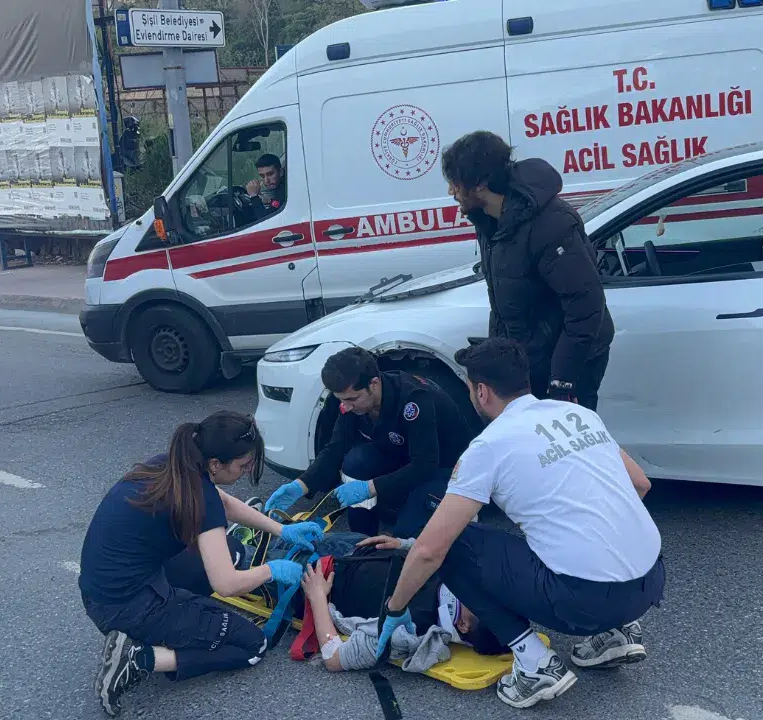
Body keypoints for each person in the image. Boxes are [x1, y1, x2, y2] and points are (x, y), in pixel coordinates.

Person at [374, 339, 665, 709]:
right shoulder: (578, 415)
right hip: (651, 581)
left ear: (481, 392)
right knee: (564, 538)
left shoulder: (488, 446)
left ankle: (535, 664)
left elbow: (431, 549)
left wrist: (395, 608)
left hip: (585, 601)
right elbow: (640, 484)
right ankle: (617, 633)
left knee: (456, 545)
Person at [78, 411, 328, 717]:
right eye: (243, 465)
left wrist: (282, 530)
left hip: (102, 593)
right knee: (252, 645)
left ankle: (166, 624)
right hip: (126, 606)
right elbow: (227, 584)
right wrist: (272, 571)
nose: (247, 472)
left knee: (231, 550)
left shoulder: (173, 464)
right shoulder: (201, 494)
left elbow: (224, 504)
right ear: (215, 464)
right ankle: (138, 658)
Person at [442, 131, 614, 410]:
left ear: (480, 183)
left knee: (563, 435)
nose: (451, 192)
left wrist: (562, 381)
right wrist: (496, 361)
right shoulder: (488, 221)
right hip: (530, 361)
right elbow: (503, 302)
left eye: (455, 183)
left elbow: (586, 307)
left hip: (570, 364)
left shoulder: (551, 225)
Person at [264, 347, 472, 538]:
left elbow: (424, 466)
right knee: (356, 463)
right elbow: (336, 448)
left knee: (405, 537)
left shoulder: (415, 400)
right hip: (402, 458)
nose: (346, 406)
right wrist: (302, 485)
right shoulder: (351, 399)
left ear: (373, 384)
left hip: (444, 469)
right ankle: (362, 540)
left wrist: (370, 487)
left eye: (351, 399)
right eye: (341, 400)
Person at [295, 536, 508, 673]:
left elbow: (334, 658)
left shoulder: (409, 632)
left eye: (482, 605)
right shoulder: (463, 581)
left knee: (276, 548)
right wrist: (403, 544)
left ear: (463, 625)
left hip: (319, 576)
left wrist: (317, 597)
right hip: (358, 544)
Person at [242, 153, 285, 219]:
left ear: (281, 172)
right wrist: (270, 201)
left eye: (270, 174)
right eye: (262, 176)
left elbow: (265, 219)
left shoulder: (286, 189)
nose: (266, 180)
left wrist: (254, 196)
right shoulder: (281, 187)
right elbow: (279, 205)